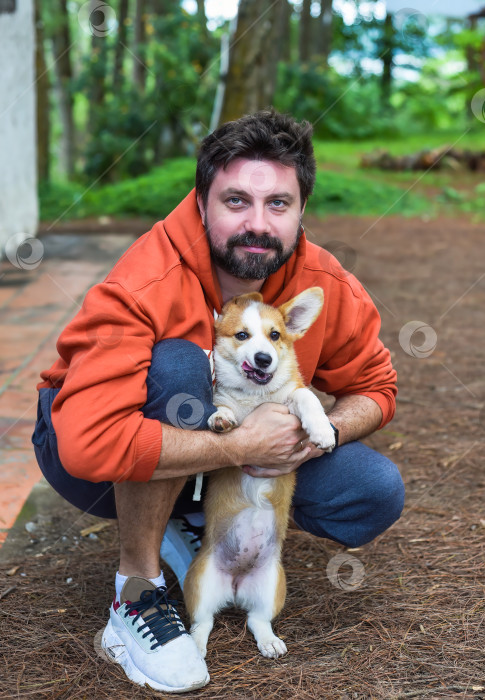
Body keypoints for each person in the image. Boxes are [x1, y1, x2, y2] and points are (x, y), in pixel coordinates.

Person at [32, 110, 404, 693]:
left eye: (278, 204)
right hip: (83, 453)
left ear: (302, 209)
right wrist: (237, 445)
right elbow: (89, 443)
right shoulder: (146, 278)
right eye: (236, 201)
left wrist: (304, 440)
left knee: (373, 490)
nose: (257, 224)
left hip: (230, 452)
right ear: (201, 201)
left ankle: (185, 513)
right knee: (179, 364)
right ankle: (137, 591)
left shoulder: (322, 281)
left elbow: (378, 389)